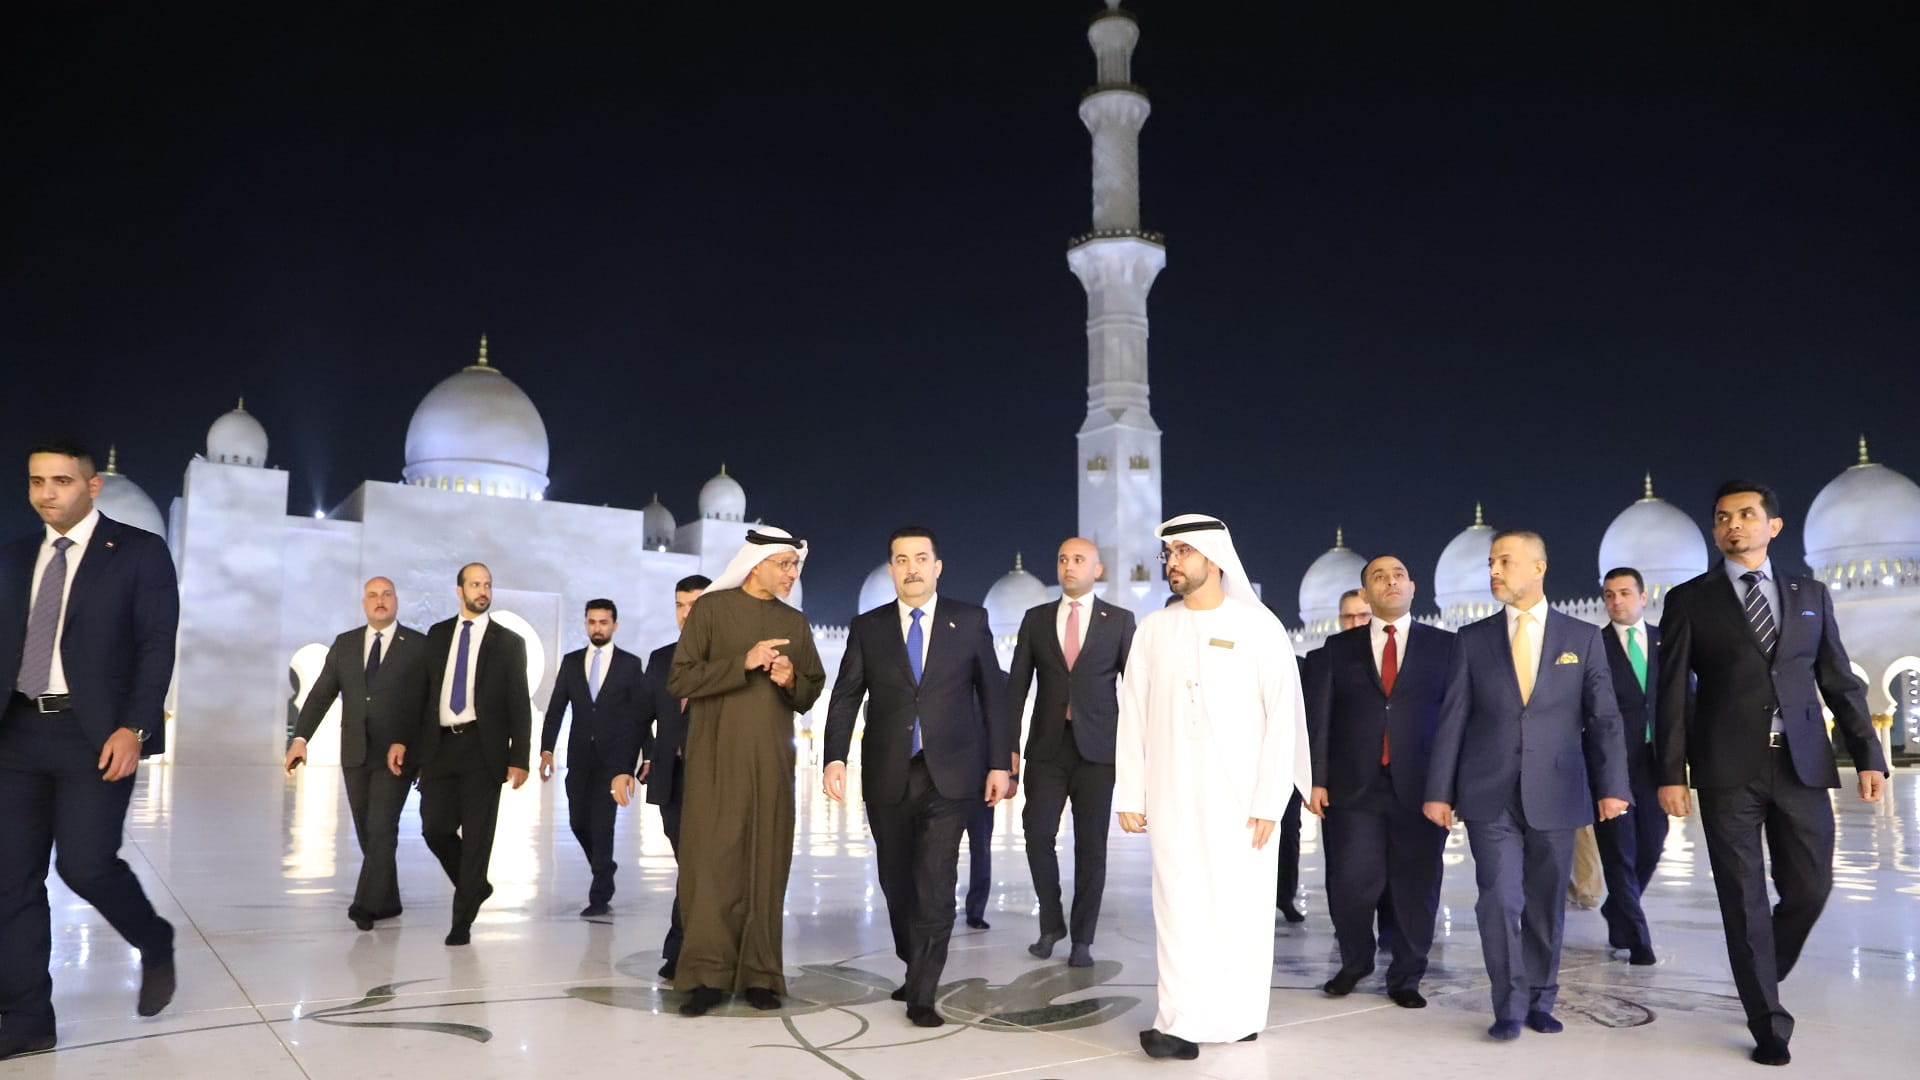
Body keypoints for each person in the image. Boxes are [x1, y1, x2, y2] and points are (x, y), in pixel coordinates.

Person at [1655, 481, 1887, 1067]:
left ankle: (1762, 967)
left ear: (1773, 526)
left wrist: (1868, 754)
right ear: (1715, 531)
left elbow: (1839, 680)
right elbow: (1672, 692)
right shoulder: (1690, 600)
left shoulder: (1810, 594)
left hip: (1801, 763)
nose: (1734, 524)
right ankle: (1767, 1018)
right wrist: (1671, 772)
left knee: (1811, 888)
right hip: (1726, 769)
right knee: (1742, 896)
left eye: (1747, 515)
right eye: (1723, 517)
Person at [0, 443, 180, 1058]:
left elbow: (157, 645)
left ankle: (154, 940)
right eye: (35, 482)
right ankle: (27, 1020)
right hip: (17, 733)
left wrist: (135, 727)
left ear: (92, 485)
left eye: (60, 481)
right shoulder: (17, 555)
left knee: (84, 864)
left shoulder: (138, 552)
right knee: (11, 880)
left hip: (94, 735)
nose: (46, 493)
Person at [1116, 514, 1309, 1060]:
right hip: (1173, 794)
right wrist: (1131, 793)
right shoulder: (1155, 630)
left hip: (1243, 801)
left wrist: (1272, 800)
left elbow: (1283, 720)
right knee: (1177, 906)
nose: (1173, 562)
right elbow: (1131, 713)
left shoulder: (1258, 627)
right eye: (1168, 553)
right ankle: (1175, 1023)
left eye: (1183, 551)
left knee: (1241, 910)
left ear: (1213, 557)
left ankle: (1238, 1016)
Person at [1424, 530, 1628, 1041]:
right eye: (1491, 562)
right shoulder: (1472, 641)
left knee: (1544, 902)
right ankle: (1509, 1003)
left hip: (1557, 792)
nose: (1494, 570)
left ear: (1538, 568)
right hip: (1488, 792)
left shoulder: (1581, 639)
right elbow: (1452, 721)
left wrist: (1613, 787)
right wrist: (1438, 790)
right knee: (1498, 898)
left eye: (1505, 561)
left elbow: (1604, 719)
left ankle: (1541, 997)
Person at [823, 526, 1012, 1028]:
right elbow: (845, 696)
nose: (912, 568)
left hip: (950, 776)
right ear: (891, 570)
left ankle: (923, 992)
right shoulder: (869, 628)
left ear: (937, 567)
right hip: (888, 774)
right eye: (901, 560)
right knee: (896, 883)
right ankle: (916, 963)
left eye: (921, 558)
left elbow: (994, 694)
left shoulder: (969, 621)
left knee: (935, 882)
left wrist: (1000, 763)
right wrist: (834, 757)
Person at [669, 528, 825, 1016]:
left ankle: (761, 974)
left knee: (766, 864)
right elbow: (682, 676)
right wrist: (745, 661)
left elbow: (811, 689)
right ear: (756, 563)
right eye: (784, 564)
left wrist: (790, 678)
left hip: (772, 766)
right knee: (711, 869)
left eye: (795, 566)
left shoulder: (794, 623)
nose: (792, 574)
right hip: (715, 763)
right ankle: (705, 977)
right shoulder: (712, 610)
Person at [1308, 556, 1455, 1009]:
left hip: (1421, 790)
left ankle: (1407, 975)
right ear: (1365, 594)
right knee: (1351, 882)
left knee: (1416, 886)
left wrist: (1448, 789)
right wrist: (1316, 780)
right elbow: (1321, 719)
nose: (1389, 583)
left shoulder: (1446, 648)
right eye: (1378, 577)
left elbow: (1455, 720)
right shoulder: (1338, 649)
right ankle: (1356, 960)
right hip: (1354, 788)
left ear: (1413, 587)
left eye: (1398, 576)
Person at [1006, 537, 1136, 966]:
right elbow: (1016, 690)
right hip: (1047, 745)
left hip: (1098, 750)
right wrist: (1006, 750)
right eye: (1063, 559)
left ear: (1096, 570)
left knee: (1091, 846)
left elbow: (1134, 692)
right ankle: (1051, 923)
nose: (1069, 566)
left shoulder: (1118, 621)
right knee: (1037, 833)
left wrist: (1137, 755)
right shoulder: (1036, 619)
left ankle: (1082, 939)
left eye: (1079, 560)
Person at [285, 576, 430, 931]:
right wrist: (300, 737)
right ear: (364, 603)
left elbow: (428, 703)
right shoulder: (346, 644)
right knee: (368, 830)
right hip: (354, 751)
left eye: (387, 594)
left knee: (382, 826)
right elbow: (321, 694)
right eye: (373, 595)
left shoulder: (418, 646)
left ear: (396, 601)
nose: (380, 601)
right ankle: (389, 898)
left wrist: (419, 749)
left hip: (397, 753)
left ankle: (365, 904)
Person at [401, 562, 531, 947]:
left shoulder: (509, 643)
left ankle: (462, 922)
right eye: (475, 584)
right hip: (439, 747)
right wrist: (411, 750)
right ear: (459, 590)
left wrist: (519, 757)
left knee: (477, 838)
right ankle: (474, 886)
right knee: (434, 827)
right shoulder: (438, 636)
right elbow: (422, 696)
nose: (482, 591)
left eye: (487, 584)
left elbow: (518, 704)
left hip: (482, 749)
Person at [613, 573, 708, 979]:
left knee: (699, 865)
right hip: (673, 781)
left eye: (696, 606)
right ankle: (692, 945)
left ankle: (681, 949)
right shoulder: (661, 658)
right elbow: (638, 716)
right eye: (680, 605)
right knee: (690, 864)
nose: (686, 614)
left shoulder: (729, 659)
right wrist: (623, 767)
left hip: (716, 780)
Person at [540, 599, 650, 917]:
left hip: (615, 760)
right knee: (578, 822)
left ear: (614, 625)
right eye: (592, 622)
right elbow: (557, 707)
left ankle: (600, 893)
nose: (597, 627)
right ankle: (604, 866)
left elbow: (639, 713)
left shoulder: (630, 664)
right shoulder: (572, 662)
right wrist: (547, 749)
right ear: (586, 624)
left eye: (603, 622)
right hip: (579, 757)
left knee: (603, 826)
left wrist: (647, 757)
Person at [1593, 567, 1665, 965]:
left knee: (1652, 845)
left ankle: (1615, 908)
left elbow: (1682, 698)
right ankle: (1639, 940)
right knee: (1619, 851)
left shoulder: (1665, 641)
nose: (1616, 601)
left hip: (1656, 765)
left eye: (1623, 593)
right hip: (1612, 765)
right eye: (1608, 595)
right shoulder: (1594, 645)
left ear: (1642, 595)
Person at [1290, 589, 1369, 924]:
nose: (1354, 623)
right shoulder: (1323, 659)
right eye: (1347, 616)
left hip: (1393, 781)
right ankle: (1349, 938)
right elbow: (1316, 725)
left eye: (1361, 616)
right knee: (1343, 866)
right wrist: (1315, 781)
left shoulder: (1405, 653)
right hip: (1341, 783)